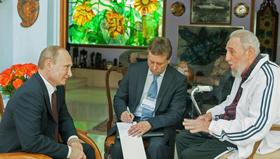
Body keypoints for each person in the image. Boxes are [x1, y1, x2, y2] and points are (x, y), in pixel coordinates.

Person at [176, 29, 280, 159]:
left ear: (249, 52)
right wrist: (210, 115)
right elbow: (230, 103)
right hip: (233, 129)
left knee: (190, 155)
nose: (226, 58)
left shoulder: (268, 76)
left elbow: (257, 127)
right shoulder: (242, 71)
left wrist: (211, 126)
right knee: (183, 138)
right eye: (226, 51)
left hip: (252, 140)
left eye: (232, 51)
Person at [0, 46, 95, 159]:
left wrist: (73, 140)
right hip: (21, 154)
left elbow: (64, 118)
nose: (70, 74)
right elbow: (32, 142)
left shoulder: (58, 87)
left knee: (87, 150)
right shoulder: (29, 94)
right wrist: (69, 152)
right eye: (66, 67)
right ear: (49, 64)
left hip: (43, 146)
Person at [109, 37, 187, 159]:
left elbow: (176, 114)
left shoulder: (178, 80)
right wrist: (123, 112)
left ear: (168, 60)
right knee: (119, 148)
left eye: (159, 63)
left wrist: (150, 123)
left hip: (158, 124)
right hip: (133, 121)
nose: (154, 67)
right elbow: (119, 98)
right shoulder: (134, 70)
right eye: (151, 61)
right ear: (148, 55)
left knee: (156, 147)